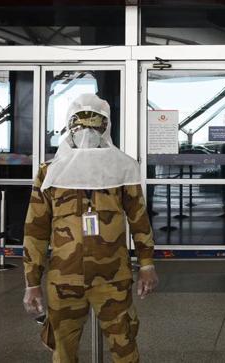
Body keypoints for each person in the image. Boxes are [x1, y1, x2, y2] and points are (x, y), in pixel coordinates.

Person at [22, 93, 158, 363]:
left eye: (93, 126)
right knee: (63, 350)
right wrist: (31, 281)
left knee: (125, 348)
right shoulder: (49, 172)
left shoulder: (123, 167)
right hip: (64, 279)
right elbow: (35, 230)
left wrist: (146, 265)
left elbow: (139, 220)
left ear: (105, 128)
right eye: (80, 126)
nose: (86, 133)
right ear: (69, 129)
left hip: (113, 278)